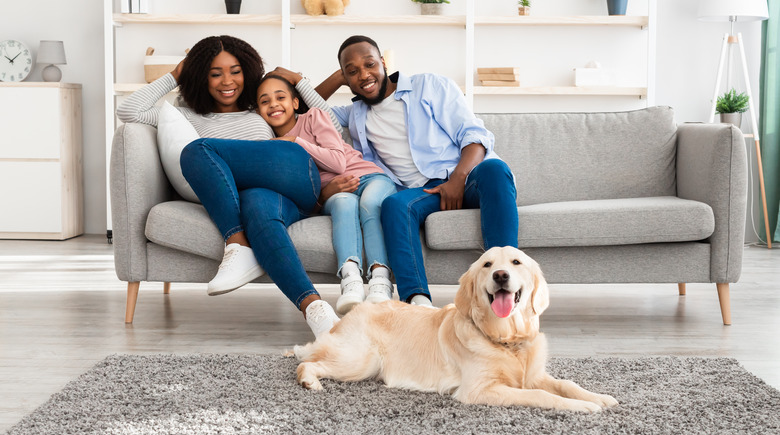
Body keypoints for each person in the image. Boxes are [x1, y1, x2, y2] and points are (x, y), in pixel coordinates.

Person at [116, 35, 340, 338]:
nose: (227, 81)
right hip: (262, 198)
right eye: (214, 72)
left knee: (197, 151)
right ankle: (317, 311)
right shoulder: (185, 115)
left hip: (293, 175)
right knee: (258, 211)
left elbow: (331, 127)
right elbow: (129, 112)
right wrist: (175, 75)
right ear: (200, 76)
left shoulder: (259, 106)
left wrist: (300, 81)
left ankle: (236, 243)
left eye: (235, 71)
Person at [315, 35, 519, 308]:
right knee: (394, 205)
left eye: (369, 64)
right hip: (422, 192)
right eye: (352, 72)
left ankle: (507, 285)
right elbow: (302, 108)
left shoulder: (430, 85)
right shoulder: (353, 114)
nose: (364, 75)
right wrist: (338, 77)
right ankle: (417, 301)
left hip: (467, 176)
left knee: (495, 168)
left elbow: (475, 136)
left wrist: (457, 179)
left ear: (383, 63)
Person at [255, 74, 397, 315]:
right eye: (264, 101)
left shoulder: (313, 118)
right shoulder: (270, 145)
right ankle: (350, 279)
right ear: (258, 111)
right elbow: (300, 194)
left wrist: (296, 142)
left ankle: (380, 281)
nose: (274, 104)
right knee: (343, 204)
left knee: (370, 204)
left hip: (369, 177)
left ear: (295, 103)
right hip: (335, 191)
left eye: (280, 97)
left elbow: (338, 162)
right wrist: (325, 193)